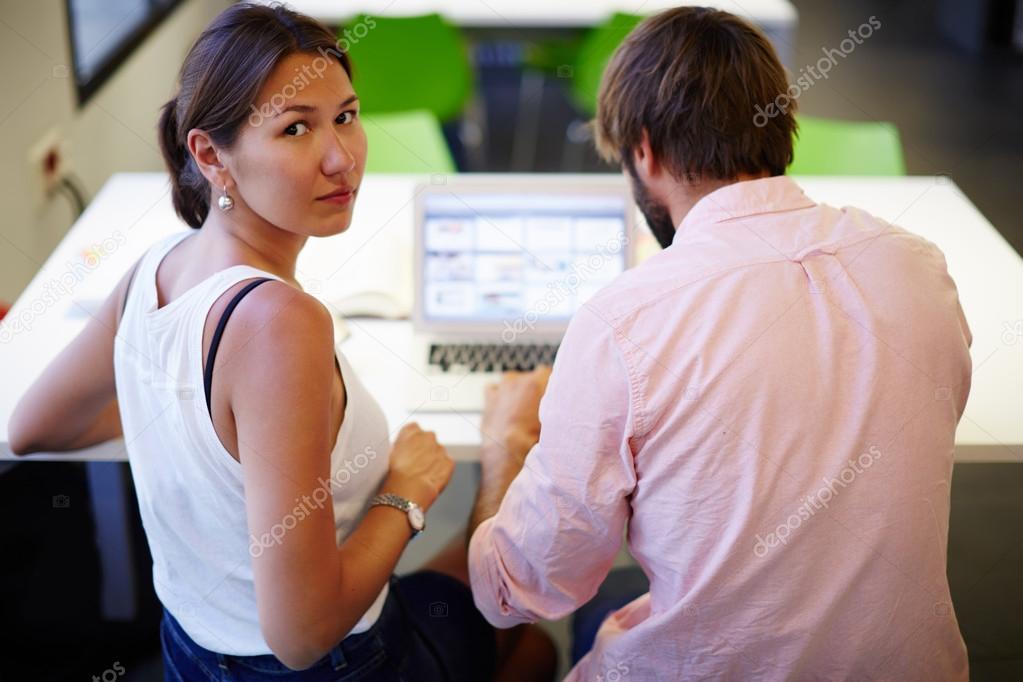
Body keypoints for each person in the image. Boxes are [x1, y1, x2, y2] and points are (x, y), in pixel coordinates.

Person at [8, 3, 555, 680]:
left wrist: (200, 410)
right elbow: (302, 635)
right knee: (527, 627)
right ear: (210, 155)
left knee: (499, 618)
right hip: (324, 664)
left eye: (346, 117)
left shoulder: (156, 267)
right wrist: (407, 494)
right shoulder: (280, 323)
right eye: (296, 128)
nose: (341, 158)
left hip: (193, 650)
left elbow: (31, 429)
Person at [468, 7, 972, 681]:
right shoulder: (916, 264)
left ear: (642, 150)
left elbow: (525, 587)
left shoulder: (626, 318)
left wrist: (505, 447)